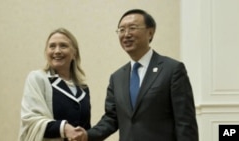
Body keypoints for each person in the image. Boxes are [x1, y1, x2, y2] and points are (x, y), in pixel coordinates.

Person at [77, 9, 199, 141]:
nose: (126, 34)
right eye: (121, 30)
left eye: (132, 28)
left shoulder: (172, 70)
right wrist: (87, 135)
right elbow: (111, 118)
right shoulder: (117, 78)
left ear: (150, 32)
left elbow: (185, 123)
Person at [19, 28, 90, 141]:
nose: (57, 51)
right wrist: (64, 128)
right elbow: (31, 120)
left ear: (74, 53)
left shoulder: (83, 89)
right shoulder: (37, 79)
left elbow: (85, 129)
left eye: (63, 46)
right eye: (52, 46)